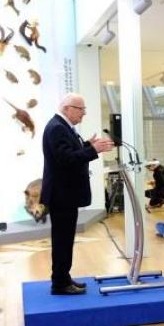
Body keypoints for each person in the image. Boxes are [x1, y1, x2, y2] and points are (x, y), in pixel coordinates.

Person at [40, 93, 114, 295]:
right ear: (67, 108)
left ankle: (63, 277)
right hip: (62, 195)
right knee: (62, 240)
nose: (84, 113)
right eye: (81, 109)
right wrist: (93, 150)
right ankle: (60, 283)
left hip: (64, 195)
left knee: (65, 239)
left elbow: (70, 152)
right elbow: (66, 159)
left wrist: (88, 145)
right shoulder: (57, 128)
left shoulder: (62, 126)